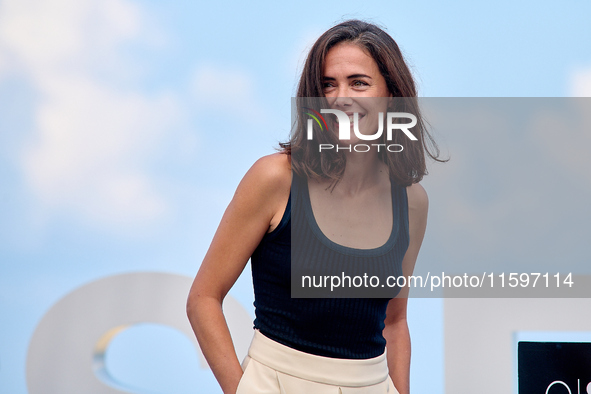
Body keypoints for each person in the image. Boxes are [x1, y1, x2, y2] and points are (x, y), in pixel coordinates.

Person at [187, 19, 441, 394]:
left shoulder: (412, 201)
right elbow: (203, 299)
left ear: (392, 96)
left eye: (359, 82)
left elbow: (394, 322)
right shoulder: (275, 178)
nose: (340, 97)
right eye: (327, 84)